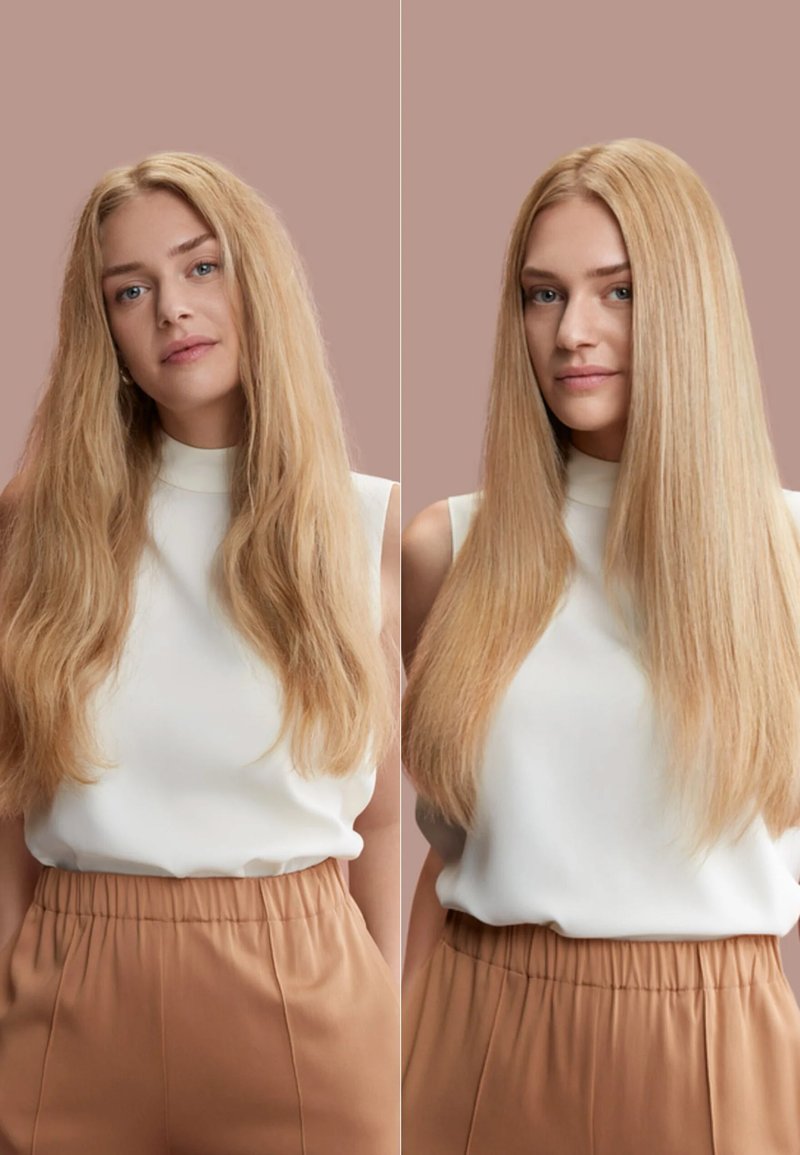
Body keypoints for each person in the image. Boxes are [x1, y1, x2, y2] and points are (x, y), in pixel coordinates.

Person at [401, 138, 800, 1155]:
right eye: (541, 296)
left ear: (688, 306)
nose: (570, 332)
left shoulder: (786, 552)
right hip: (474, 1027)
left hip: (713, 1043)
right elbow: (443, 847)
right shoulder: (450, 549)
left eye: (615, 292)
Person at [0, 152, 400, 1154]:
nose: (170, 309)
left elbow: (386, 817)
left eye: (201, 268)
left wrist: (386, 1011)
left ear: (254, 278)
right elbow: (8, 801)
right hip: (73, 990)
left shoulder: (368, 524)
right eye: (129, 291)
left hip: (305, 989)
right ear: (106, 332)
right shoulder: (35, 527)